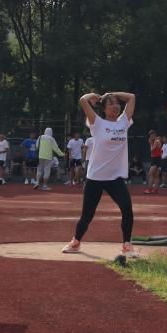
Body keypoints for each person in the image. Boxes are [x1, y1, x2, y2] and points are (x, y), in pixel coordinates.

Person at [63, 92, 137, 258]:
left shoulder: (124, 122)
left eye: (117, 103)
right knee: (87, 214)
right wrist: (95, 96)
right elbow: (83, 100)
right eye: (111, 104)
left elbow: (131, 97)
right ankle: (76, 241)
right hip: (95, 177)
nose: (115, 106)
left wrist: (112, 94)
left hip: (115, 177)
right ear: (103, 109)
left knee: (127, 208)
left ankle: (127, 245)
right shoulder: (97, 122)